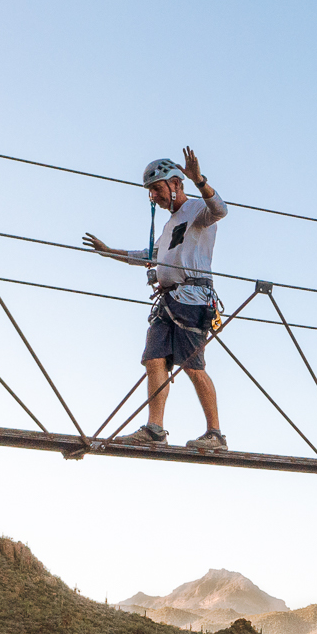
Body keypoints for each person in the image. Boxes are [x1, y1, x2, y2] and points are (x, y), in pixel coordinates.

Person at [82, 148, 230, 450]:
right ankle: (155, 429)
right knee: (153, 359)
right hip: (168, 301)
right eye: (151, 191)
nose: (154, 196)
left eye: (158, 188)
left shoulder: (198, 211)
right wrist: (109, 252)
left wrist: (199, 180)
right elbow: (150, 256)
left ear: (176, 184)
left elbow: (220, 210)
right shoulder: (169, 225)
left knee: (192, 365)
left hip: (192, 298)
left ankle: (215, 434)